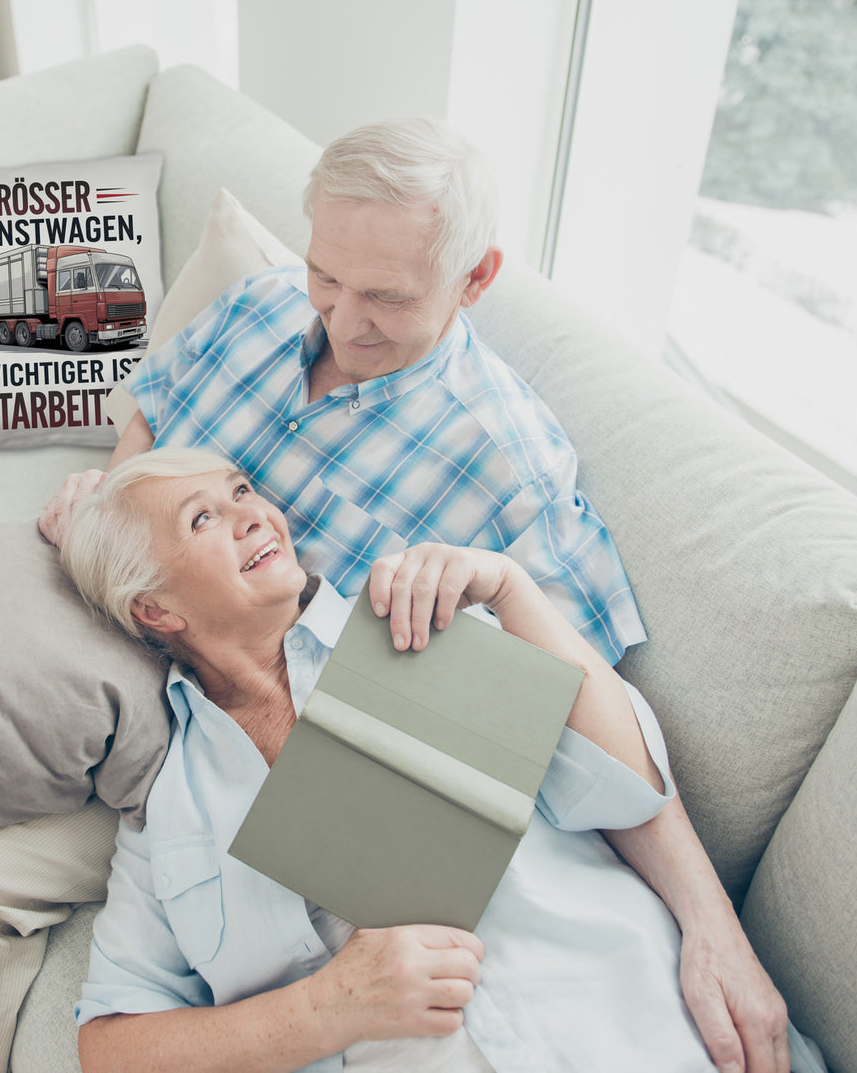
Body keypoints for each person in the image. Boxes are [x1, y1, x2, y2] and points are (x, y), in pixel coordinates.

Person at [41, 118, 789, 1072]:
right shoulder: (262, 310)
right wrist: (116, 516)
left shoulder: (485, 515)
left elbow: (596, 743)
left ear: (475, 279)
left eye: (385, 297)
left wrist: (711, 926)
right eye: (327, 277)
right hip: (148, 695)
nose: (342, 322)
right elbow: (154, 407)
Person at [60, 448, 812, 1073]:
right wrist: (328, 1008)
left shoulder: (415, 621)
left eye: (242, 491)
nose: (253, 514)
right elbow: (111, 1047)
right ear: (155, 609)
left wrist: (511, 589)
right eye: (203, 518)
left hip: (638, 1026)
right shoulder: (170, 811)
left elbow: (626, 788)